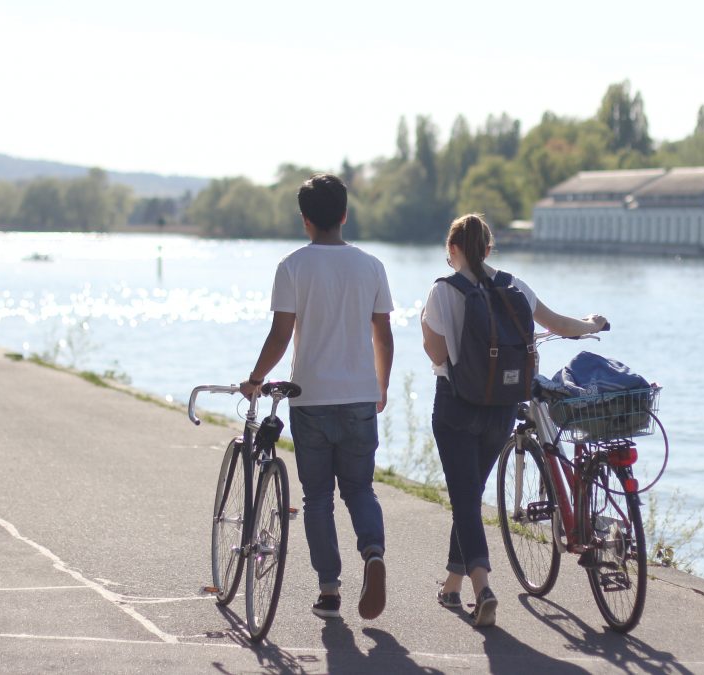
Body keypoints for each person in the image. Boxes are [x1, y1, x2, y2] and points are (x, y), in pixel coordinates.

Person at [420, 214, 606, 627]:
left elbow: (436, 356)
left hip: (456, 405)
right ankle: (452, 585)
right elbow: (558, 324)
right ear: (488, 249)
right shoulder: (514, 286)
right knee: (468, 496)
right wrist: (593, 324)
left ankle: (483, 587)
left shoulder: (442, 292)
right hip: (502, 407)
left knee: (465, 499)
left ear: (452, 250)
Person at [240, 173, 394, 621]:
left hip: (310, 399)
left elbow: (281, 335)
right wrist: (380, 386)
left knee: (318, 498)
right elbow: (383, 333)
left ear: (305, 220)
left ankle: (329, 591)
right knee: (360, 488)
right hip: (360, 397)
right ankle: (374, 554)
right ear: (345, 215)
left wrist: (255, 377)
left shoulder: (292, 266)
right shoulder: (371, 266)